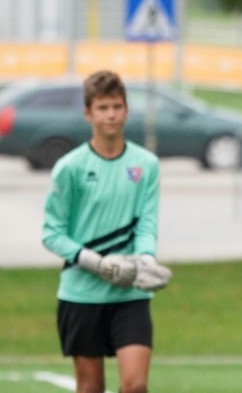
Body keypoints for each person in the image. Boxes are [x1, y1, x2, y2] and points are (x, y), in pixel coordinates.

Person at [42, 70, 172, 393]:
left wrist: (144, 259)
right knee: (90, 388)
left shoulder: (146, 164)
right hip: (82, 293)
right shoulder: (70, 168)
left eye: (116, 106)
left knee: (136, 384)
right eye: (102, 108)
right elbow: (51, 232)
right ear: (88, 113)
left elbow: (146, 221)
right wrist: (96, 263)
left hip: (130, 293)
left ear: (126, 110)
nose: (111, 115)